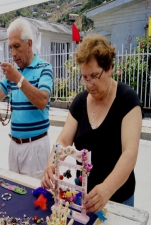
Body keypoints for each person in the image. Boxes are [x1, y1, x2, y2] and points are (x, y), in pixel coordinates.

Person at [41, 33, 143, 212]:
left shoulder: (127, 100)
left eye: (94, 76)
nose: (89, 85)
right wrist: (52, 163)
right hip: (84, 198)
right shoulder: (80, 102)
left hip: (118, 199)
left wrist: (107, 188)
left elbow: (130, 153)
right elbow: (63, 141)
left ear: (110, 68)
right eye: (85, 77)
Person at [0, 17, 53, 178]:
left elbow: (43, 101)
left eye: (17, 46)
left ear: (29, 44)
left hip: (35, 145)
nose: (13, 53)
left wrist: (19, 79)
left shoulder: (44, 68)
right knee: (16, 192)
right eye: (10, 47)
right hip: (14, 145)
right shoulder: (13, 72)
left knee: (35, 198)